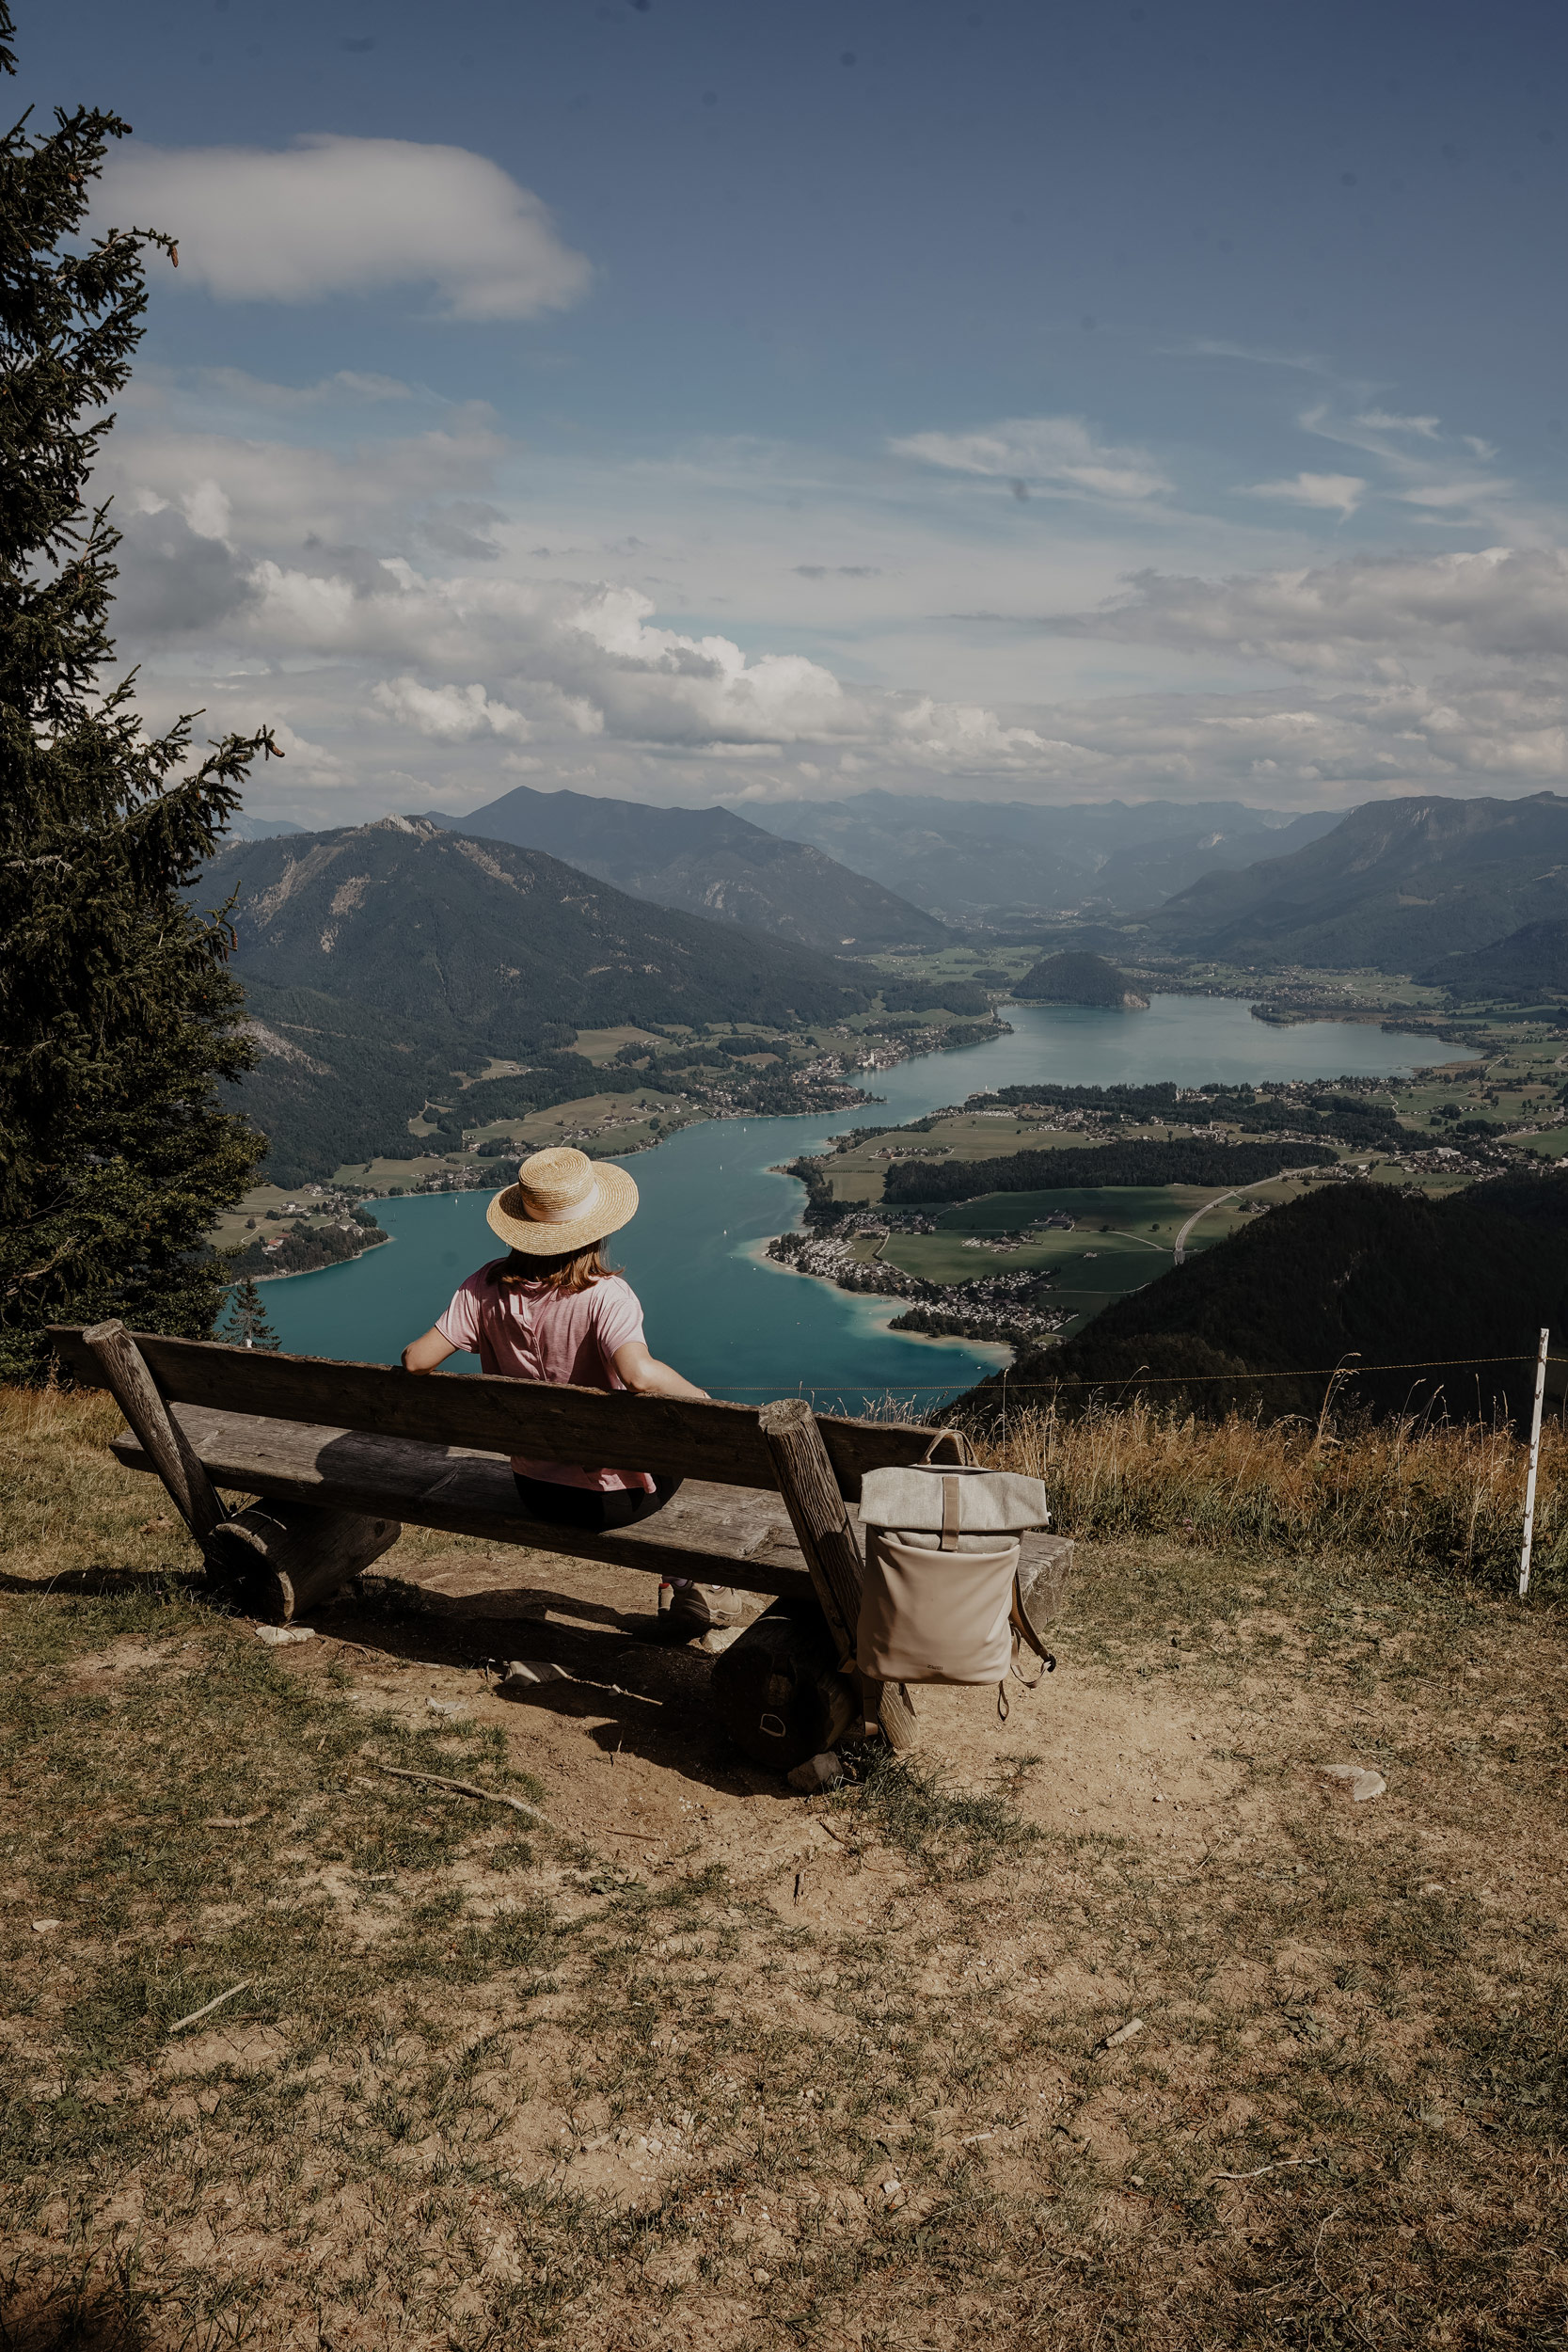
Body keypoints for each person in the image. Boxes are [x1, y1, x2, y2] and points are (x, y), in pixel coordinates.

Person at [400, 1146, 737, 1640]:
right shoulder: (604, 1294)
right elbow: (640, 1375)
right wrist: (708, 1405)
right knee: (699, 1460)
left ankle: (681, 1581)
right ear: (596, 1228)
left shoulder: (483, 1287)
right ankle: (688, 1584)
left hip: (536, 1491)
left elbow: (416, 1360)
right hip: (614, 1501)